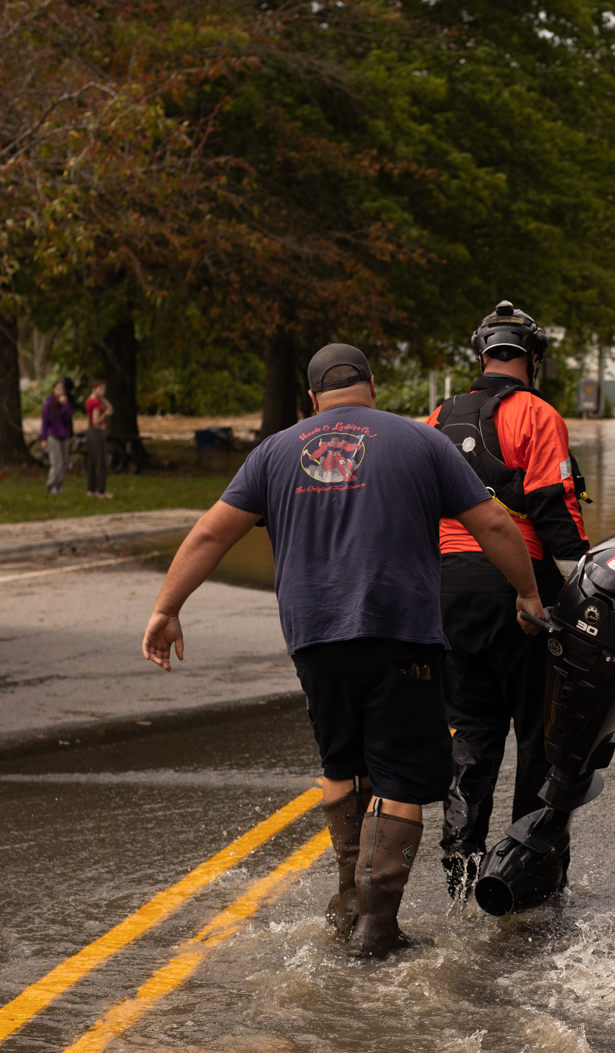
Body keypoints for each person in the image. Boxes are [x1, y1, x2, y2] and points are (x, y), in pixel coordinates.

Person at [141, 344, 545, 957]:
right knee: (400, 777)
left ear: (312, 399)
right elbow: (491, 523)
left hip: (315, 638)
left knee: (339, 767)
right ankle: (377, 927)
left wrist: (166, 608)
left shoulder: (275, 451)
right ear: (373, 387)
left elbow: (209, 533)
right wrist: (527, 593)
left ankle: (347, 903)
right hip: (400, 633)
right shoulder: (420, 441)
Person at [427, 301, 589, 900]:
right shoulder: (539, 415)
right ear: (534, 359)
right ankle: (526, 876)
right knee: (539, 737)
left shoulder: (437, 417)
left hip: (449, 589)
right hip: (520, 586)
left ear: (481, 355)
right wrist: (581, 586)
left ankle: (460, 869)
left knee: (470, 732)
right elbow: (552, 505)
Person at [41, 380, 74, 494]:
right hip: (53, 435)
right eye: (58, 389)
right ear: (53, 390)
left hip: (64, 435)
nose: (60, 391)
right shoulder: (48, 404)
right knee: (57, 462)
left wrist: (64, 405)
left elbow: (67, 419)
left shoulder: (66, 404)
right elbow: (45, 422)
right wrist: (44, 438)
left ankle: (59, 485)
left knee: (64, 462)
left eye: (62, 389)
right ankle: (51, 485)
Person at [84, 381, 113, 498]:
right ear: (93, 389)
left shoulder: (94, 400)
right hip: (97, 432)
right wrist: (105, 414)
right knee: (100, 462)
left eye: (104, 389)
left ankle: (91, 488)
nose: (102, 392)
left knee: (93, 461)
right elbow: (96, 422)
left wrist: (102, 398)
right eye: (100, 389)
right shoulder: (94, 403)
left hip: (92, 433)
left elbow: (110, 406)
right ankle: (101, 490)